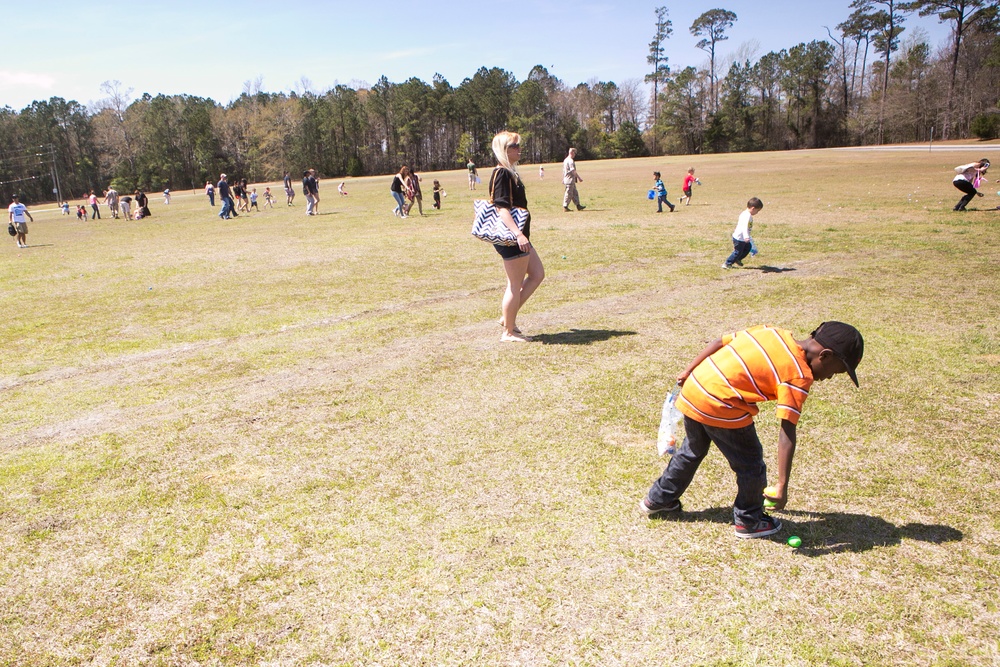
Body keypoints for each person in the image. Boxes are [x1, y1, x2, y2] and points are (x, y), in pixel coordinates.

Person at [641, 321, 864, 539]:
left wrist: (688, 370)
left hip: (696, 387)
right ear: (824, 355)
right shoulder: (799, 375)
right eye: (837, 370)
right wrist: (782, 486)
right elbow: (787, 431)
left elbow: (720, 342)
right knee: (751, 464)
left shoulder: (773, 332)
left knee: (692, 450)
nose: (830, 377)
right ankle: (750, 520)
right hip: (721, 403)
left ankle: (659, 500)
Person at [488, 131, 544, 343]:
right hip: (512, 238)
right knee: (514, 283)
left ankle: (507, 319)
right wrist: (518, 234)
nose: (519, 148)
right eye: (514, 145)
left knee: (537, 274)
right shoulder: (501, 173)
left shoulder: (509, 172)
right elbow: (502, 208)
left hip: (519, 236)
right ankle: (508, 332)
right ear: (504, 150)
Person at [723, 197, 762, 269]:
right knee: (737, 251)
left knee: (748, 248)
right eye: (757, 211)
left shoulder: (746, 214)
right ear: (753, 208)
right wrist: (746, 236)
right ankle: (727, 263)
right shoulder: (746, 216)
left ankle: (738, 259)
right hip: (740, 238)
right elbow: (744, 227)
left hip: (742, 237)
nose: (757, 213)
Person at [562, 147, 585, 212]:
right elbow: (573, 171)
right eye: (574, 153)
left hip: (568, 179)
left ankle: (578, 205)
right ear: (571, 153)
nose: (575, 154)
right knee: (568, 194)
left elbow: (563, 171)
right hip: (569, 180)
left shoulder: (565, 160)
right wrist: (579, 178)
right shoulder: (570, 161)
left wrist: (563, 178)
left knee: (575, 193)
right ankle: (565, 206)